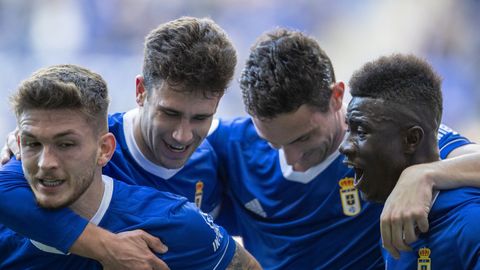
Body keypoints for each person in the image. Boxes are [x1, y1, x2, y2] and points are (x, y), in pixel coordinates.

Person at [206, 29, 480, 269]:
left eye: (302, 139)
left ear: (336, 97)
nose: (292, 160)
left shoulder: (382, 144)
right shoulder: (232, 144)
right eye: (272, 144)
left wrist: (423, 174)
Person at [0, 16, 237, 269]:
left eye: (201, 117)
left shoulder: (213, 160)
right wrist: (108, 246)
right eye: (170, 113)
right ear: (141, 91)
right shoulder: (81, 141)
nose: (183, 135)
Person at [340, 54, 480, 269]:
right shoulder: (396, 213)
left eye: (361, 131)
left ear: (411, 139)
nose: (345, 146)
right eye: (349, 129)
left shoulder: (469, 223)